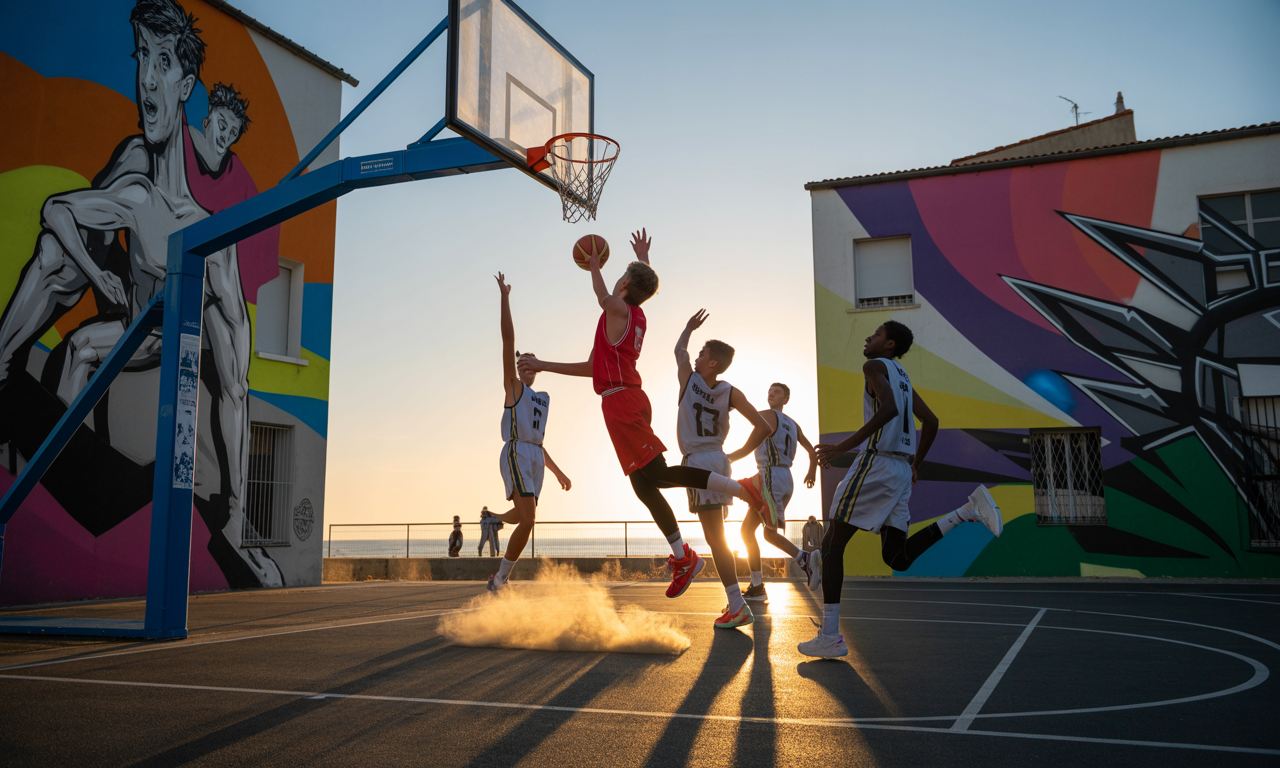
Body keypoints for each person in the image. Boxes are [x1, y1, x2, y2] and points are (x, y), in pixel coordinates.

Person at [519, 229, 775, 602]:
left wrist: (594, 265)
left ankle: (743, 489)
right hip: (618, 399)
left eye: (621, 278)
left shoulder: (619, 309)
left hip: (623, 401)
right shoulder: (632, 315)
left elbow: (604, 295)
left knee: (656, 474)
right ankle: (682, 556)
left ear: (622, 284)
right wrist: (543, 363)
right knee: (642, 484)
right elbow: (593, 366)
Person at [799, 321, 1003, 658]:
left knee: (833, 544)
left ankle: (831, 635)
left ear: (890, 344)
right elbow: (932, 421)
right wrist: (914, 465)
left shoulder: (873, 366)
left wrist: (842, 447)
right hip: (899, 470)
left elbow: (890, 408)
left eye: (876, 334)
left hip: (876, 464)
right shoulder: (903, 375)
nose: (868, 337)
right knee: (897, 557)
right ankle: (966, 511)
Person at [672, 311, 773, 628]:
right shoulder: (730, 390)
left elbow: (679, 352)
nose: (698, 357)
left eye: (703, 354)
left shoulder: (689, 381)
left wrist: (688, 329)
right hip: (720, 460)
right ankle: (735, 602)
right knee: (718, 536)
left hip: (698, 461)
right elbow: (764, 426)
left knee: (716, 538)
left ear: (711, 362)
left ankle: (736, 604)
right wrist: (737, 453)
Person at [487, 273, 571, 592]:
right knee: (529, 520)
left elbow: (542, 443)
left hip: (535, 455)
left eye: (529, 363)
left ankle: (496, 519)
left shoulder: (543, 400)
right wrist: (505, 297)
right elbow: (508, 341)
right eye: (520, 364)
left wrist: (559, 472)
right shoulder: (514, 388)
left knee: (523, 513)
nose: (524, 366)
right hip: (516, 451)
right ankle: (500, 579)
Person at [732, 382, 821, 602]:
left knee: (769, 534)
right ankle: (756, 586)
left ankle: (805, 560)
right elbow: (812, 451)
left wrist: (726, 458)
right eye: (770, 391)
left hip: (770, 476)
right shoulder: (794, 424)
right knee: (746, 531)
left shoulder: (769, 416)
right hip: (783, 478)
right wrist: (811, 472)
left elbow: (747, 442)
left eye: (777, 392)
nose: (772, 394)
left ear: (785, 399)